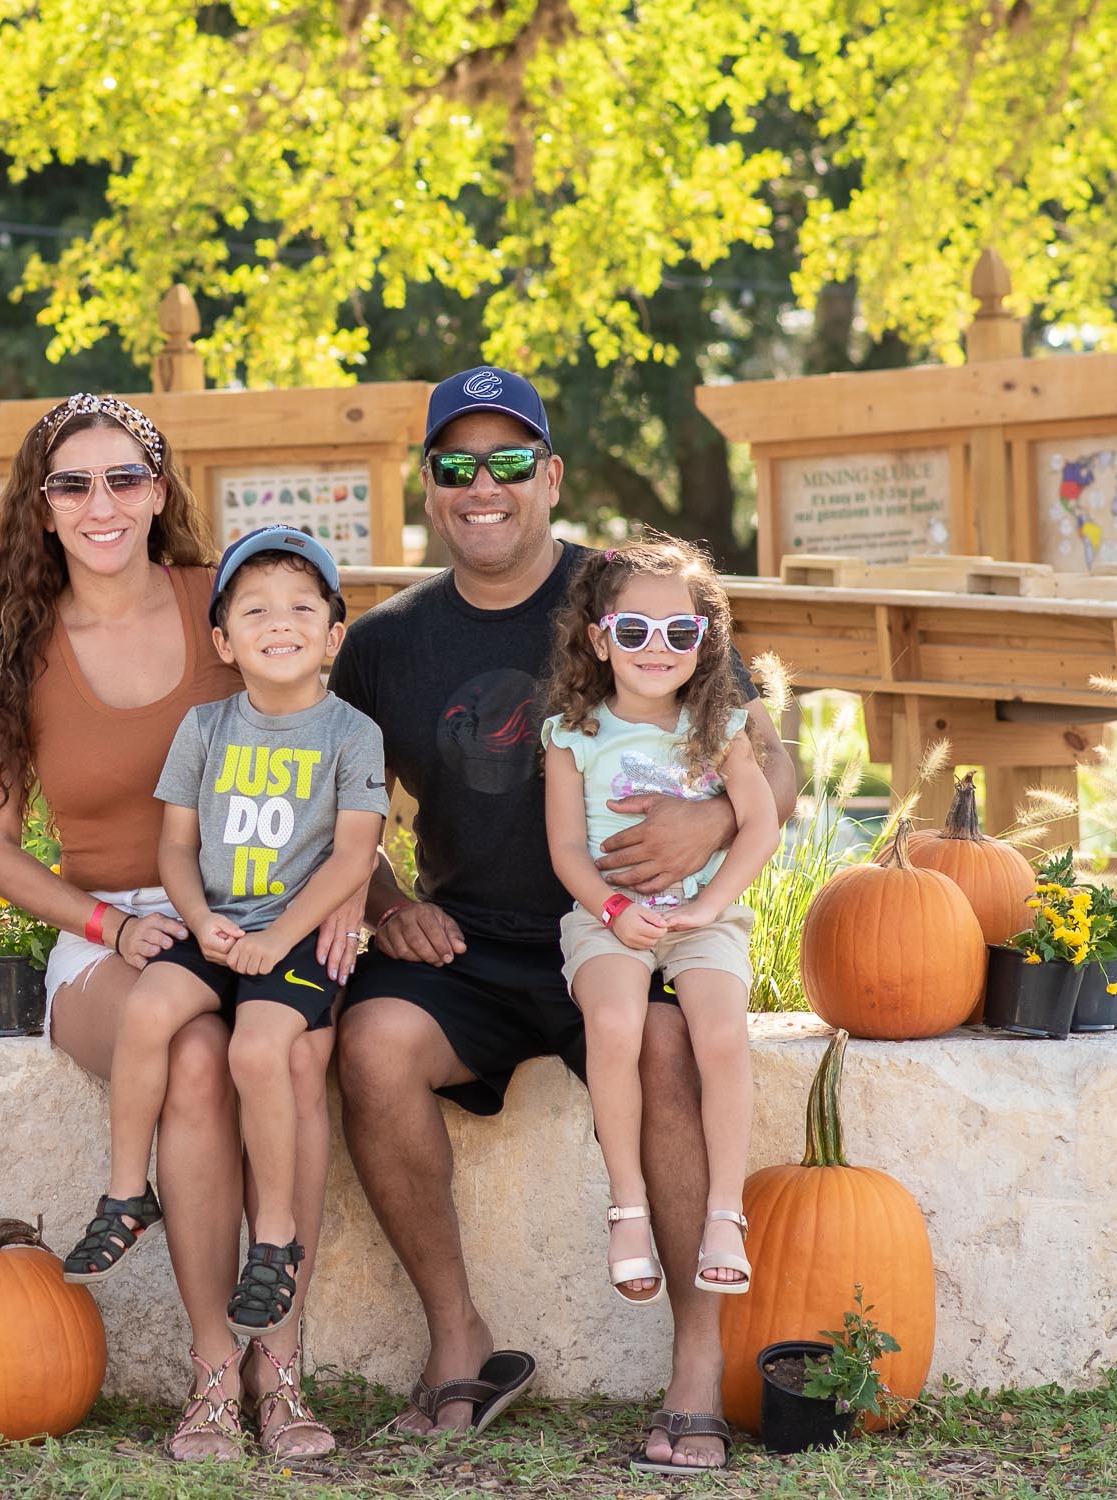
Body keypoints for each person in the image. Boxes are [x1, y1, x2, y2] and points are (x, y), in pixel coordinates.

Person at [331, 367, 797, 1471]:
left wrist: (705, 821)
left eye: (507, 463)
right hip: (475, 944)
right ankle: (460, 1346)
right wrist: (388, 904)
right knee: (371, 1046)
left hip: (640, 929)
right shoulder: (389, 641)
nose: (480, 487)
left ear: (549, 476)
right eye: (454, 466)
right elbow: (322, 791)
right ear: (430, 487)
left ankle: (696, 1366)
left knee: (675, 1048)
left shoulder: (631, 592)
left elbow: (772, 761)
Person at [0, 394, 358, 1460]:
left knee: (290, 1056)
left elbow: (322, 757)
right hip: (111, 930)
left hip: (259, 912)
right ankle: (215, 1370)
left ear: (160, 493)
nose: (101, 503)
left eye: (124, 479)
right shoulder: (14, 648)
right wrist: (102, 923)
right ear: (40, 509)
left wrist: (362, 896)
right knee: (195, 1055)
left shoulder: (220, 607)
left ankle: (285, 1366)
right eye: (73, 484)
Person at [63, 526, 386, 1359]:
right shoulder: (207, 728)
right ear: (224, 639)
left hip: (300, 934)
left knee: (257, 1050)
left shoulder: (352, 733)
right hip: (217, 925)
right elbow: (175, 845)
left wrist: (280, 936)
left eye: (301, 608)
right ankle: (128, 1193)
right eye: (255, 610)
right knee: (152, 1010)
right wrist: (200, 918)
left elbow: (355, 853)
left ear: (333, 633)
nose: (280, 623)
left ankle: (274, 1238)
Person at [541, 537, 776, 1311]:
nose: (657, 648)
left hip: (702, 920)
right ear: (601, 639)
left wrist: (711, 907)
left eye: (680, 633)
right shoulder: (573, 736)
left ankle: (723, 1215)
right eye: (634, 631)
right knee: (614, 1022)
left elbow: (760, 826)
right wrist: (611, 908)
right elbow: (568, 847)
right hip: (606, 919)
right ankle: (629, 1211)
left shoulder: (720, 726)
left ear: (704, 641)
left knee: (720, 1034)